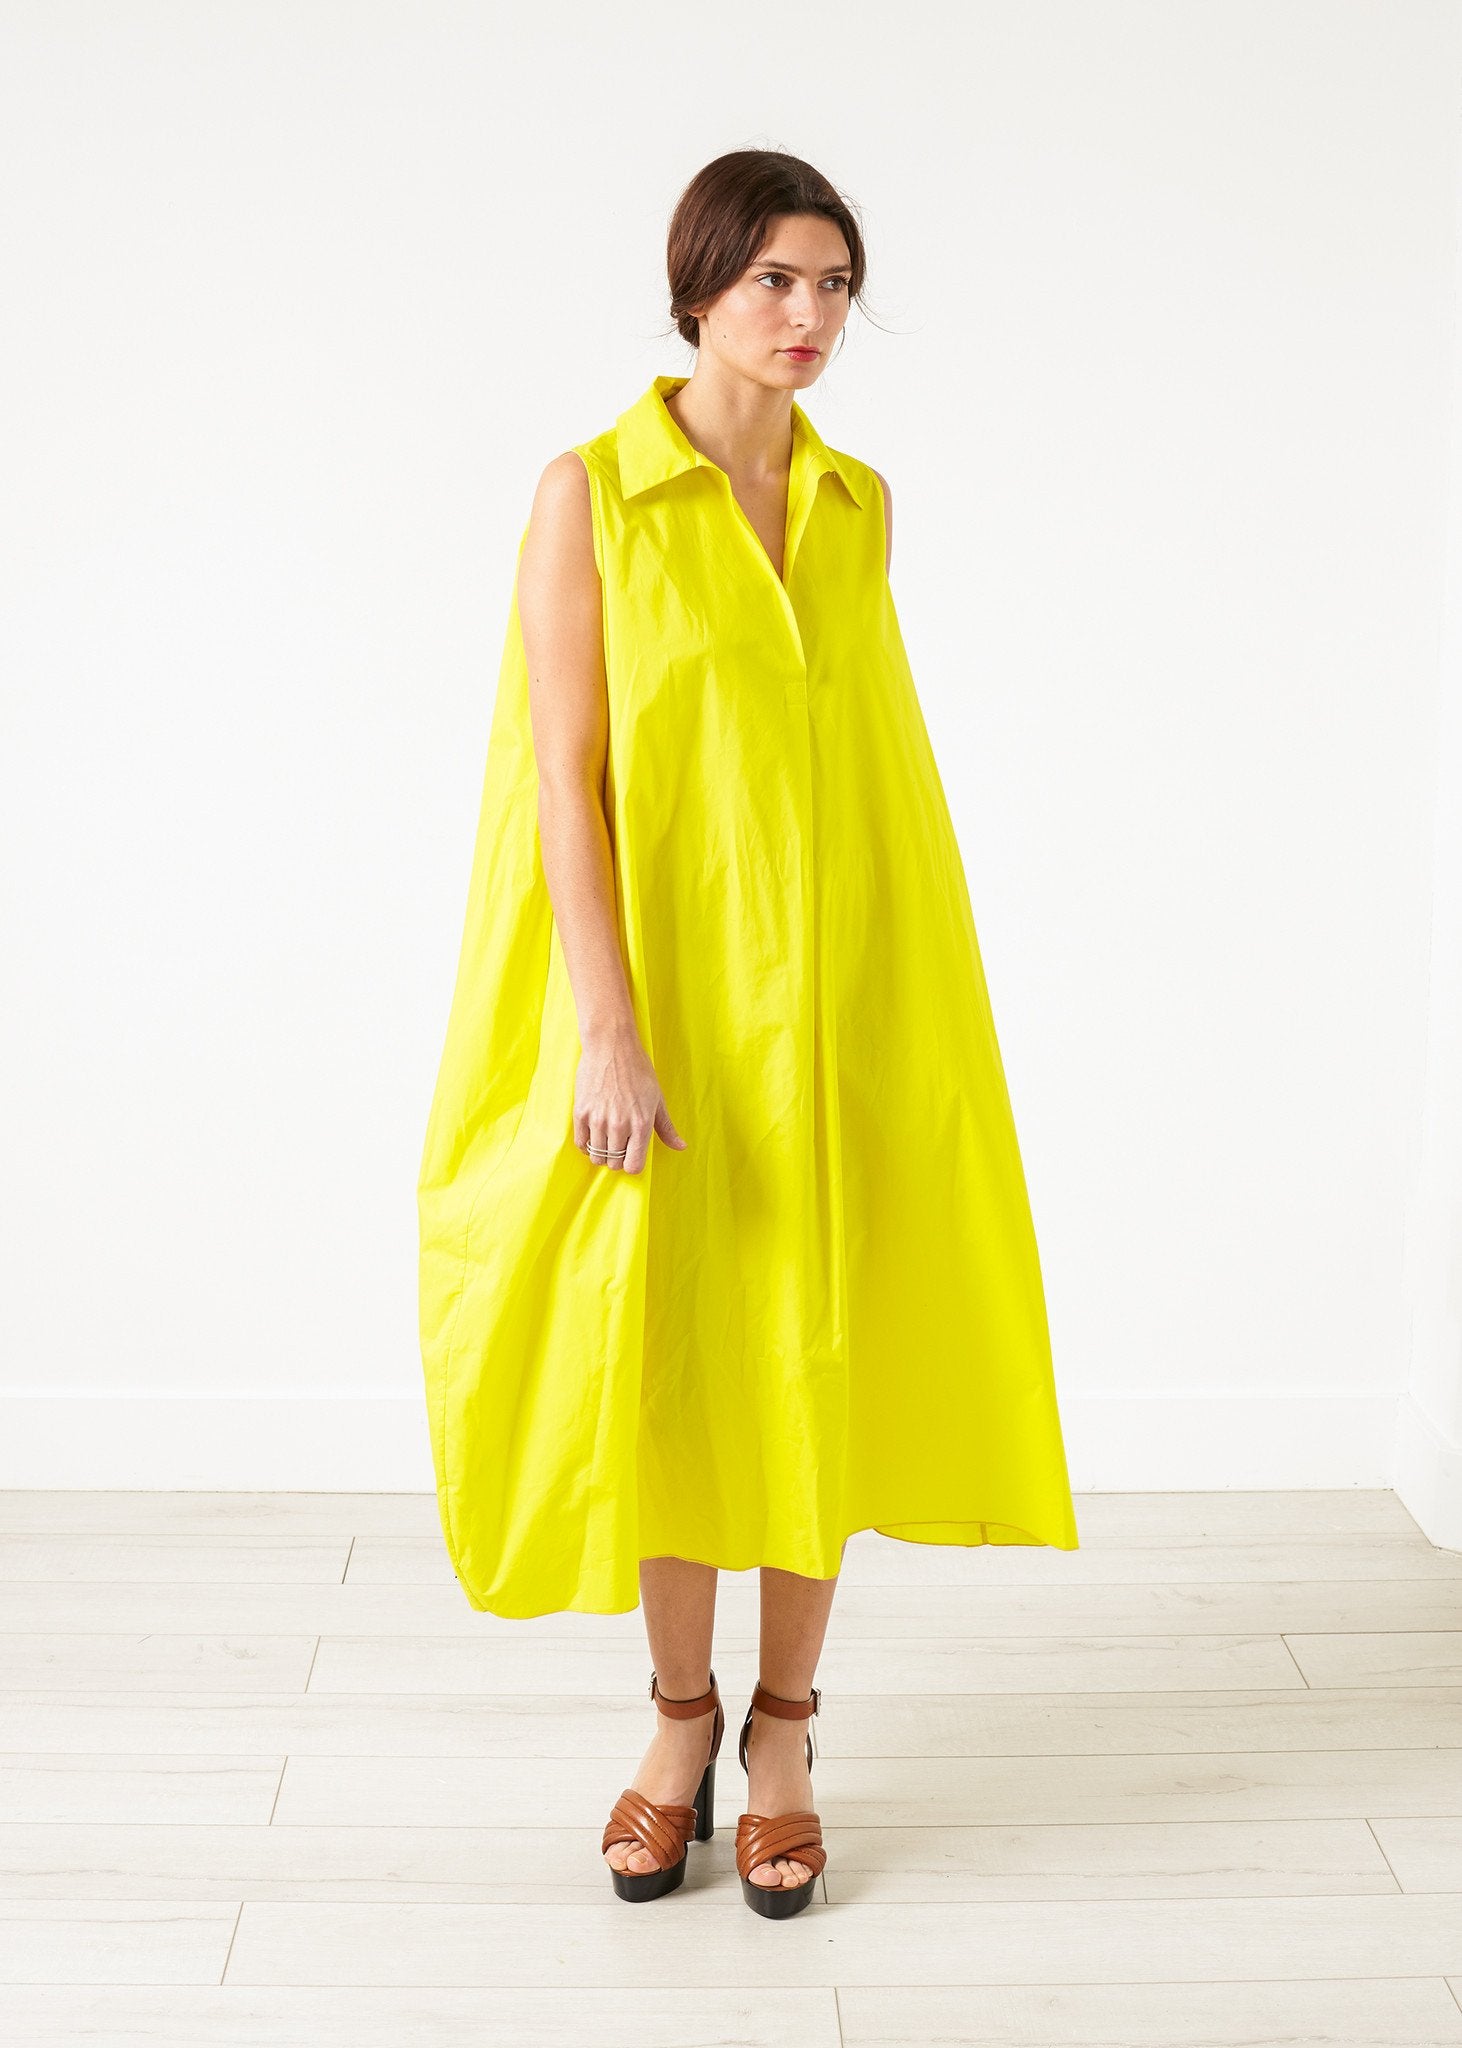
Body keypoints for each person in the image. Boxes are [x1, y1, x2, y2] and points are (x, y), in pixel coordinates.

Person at [417, 148, 1078, 1921]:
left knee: (810, 1357)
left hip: (842, 998)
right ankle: (675, 1721)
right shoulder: (592, 494)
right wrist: (606, 1032)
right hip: (666, 1007)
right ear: (698, 284)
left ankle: (780, 1736)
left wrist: (900, 1011)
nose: (810, 316)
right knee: (670, 1364)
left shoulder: (857, 504)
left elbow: (862, 770)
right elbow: (563, 779)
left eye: (835, 285)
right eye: (778, 279)